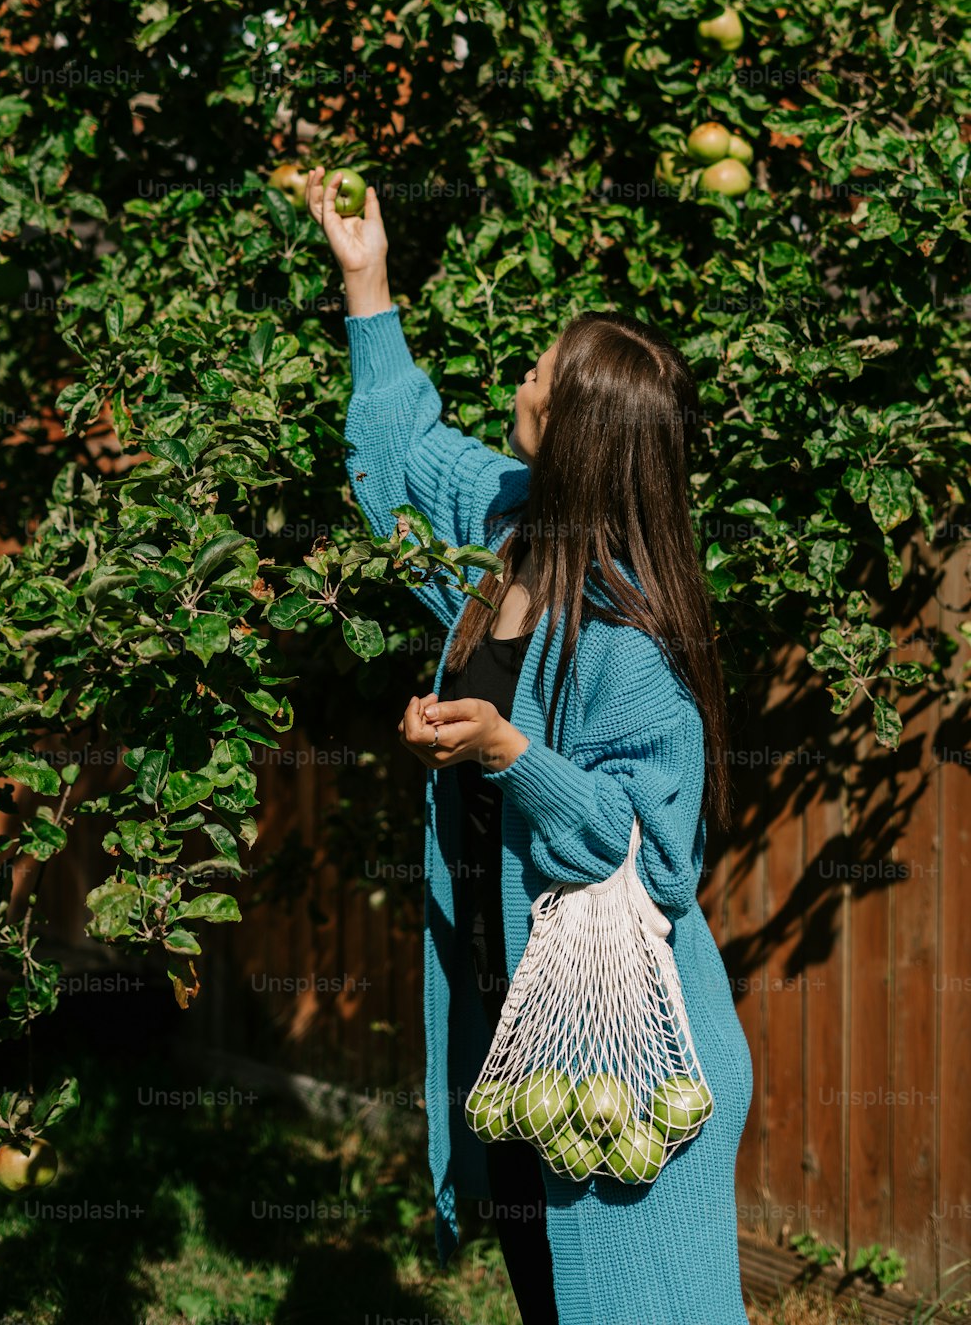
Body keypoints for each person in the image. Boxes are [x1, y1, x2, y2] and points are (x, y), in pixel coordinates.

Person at [306, 166, 754, 1325]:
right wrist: (369, 282)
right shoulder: (507, 524)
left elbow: (650, 853)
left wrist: (509, 750)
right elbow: (404, 456)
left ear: (576, 433)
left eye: (537, 376)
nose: (520, 376)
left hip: (619, 1044)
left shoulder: (626, 631)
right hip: (514, 1016)